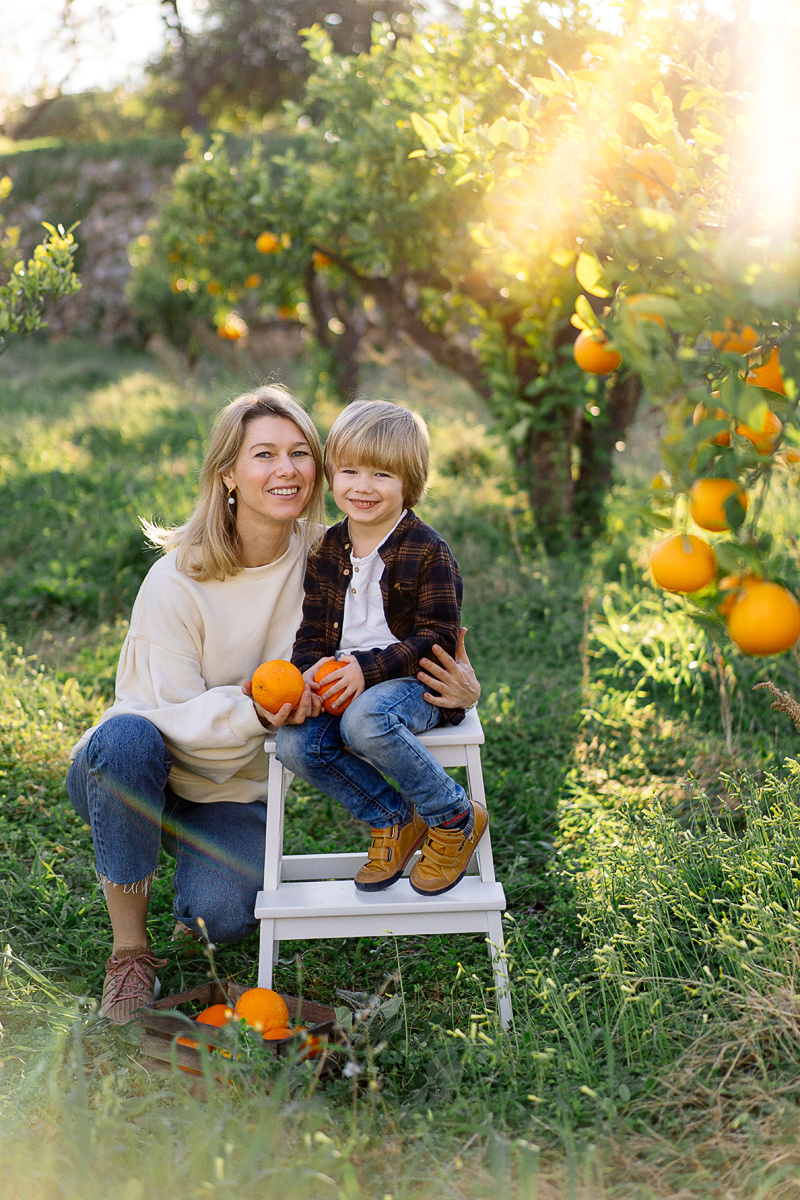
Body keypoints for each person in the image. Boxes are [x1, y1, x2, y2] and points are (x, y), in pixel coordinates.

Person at [66, 385, 480, 1023]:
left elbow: (409, 625)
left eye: (299, 453)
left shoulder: (333, 557)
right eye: (264, 454)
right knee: (122, 742)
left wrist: (460, 684)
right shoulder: (177, 577)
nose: (285, 470)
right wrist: (253, 711)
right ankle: (129, 952)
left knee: (223, 916)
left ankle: (191, 866)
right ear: (228, 473)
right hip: (142, 762)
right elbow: (151, 713)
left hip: (231, 792)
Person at [275, 400, 488, 899]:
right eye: (348, 471)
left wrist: (367, 671)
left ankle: (453, 817)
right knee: (294, 745)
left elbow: (435, 636)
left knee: (364, 719)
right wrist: (306, 672)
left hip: (415, 685)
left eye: (382, 474)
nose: (362, 487)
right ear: (331, 476)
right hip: (345, 679)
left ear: (409, 482)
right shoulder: (327, 549)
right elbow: (311, 629)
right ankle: (392, 819)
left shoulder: (427, 549)